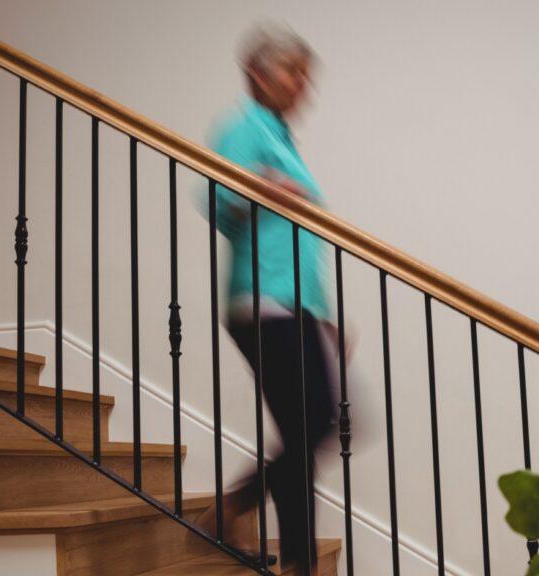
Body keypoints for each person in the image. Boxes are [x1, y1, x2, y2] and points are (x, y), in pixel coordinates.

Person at [194, 25, 336, 573]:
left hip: (295, 305)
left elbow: (295, 240)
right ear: (258, 72)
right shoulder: (244, 128)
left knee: (308, 433)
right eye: (293, 72)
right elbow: (214, 199)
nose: (304, 85)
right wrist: (262, 186)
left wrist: (323, 317)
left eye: (308, 76)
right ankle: (248, 519)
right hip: (261, 302)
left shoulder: (279, 138)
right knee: (313, 428)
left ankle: (246, 518)